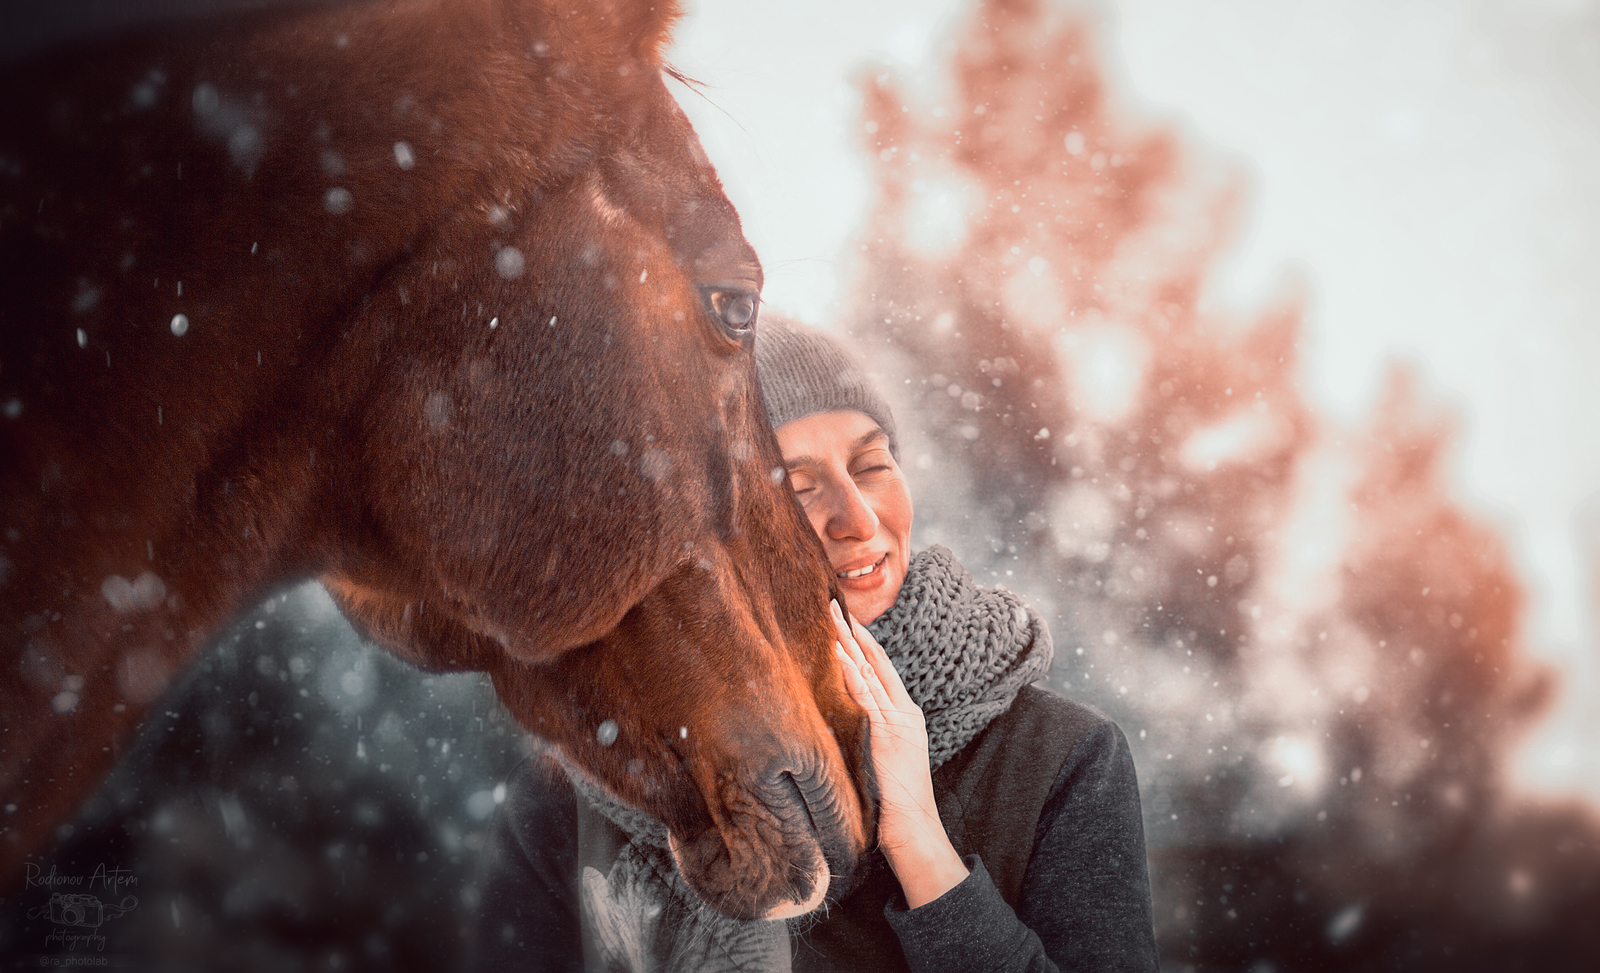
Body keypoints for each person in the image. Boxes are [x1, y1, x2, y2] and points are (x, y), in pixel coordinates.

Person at [471, 316, 1159, 972]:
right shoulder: (581, 792)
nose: (858, 519)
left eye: (871, 465)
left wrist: (919, 840)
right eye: (798, 488)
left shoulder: (1061, 758)